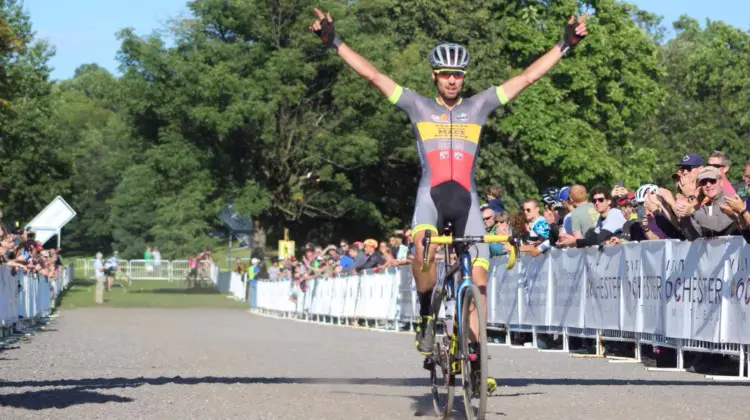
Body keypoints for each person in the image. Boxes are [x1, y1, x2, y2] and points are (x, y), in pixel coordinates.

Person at [308, 7, 588, 393]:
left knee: (480, 278)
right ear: (435, 76)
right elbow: (372, 74)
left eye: (458, 74)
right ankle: (426, 313)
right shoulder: (416, 105)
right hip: (431, 195)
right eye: (446, 74)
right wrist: (334, 41)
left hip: (467, 199)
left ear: (463, 78)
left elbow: (526, 77)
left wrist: (565, 44)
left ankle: (475, 358)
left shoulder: (480, 105)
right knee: (423, 246)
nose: (452, 80)